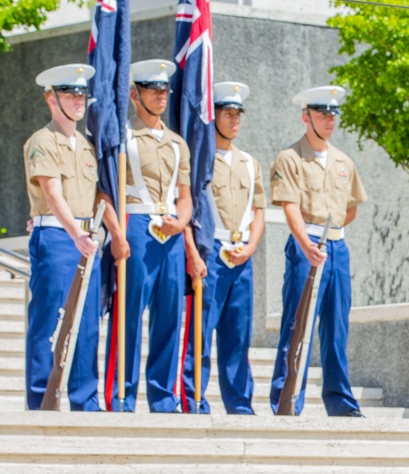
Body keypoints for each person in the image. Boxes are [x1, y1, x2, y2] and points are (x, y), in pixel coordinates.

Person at [23, 64, 129, 410]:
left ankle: (86, 401)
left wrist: (113, 232)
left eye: (82, 94)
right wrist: (76, 234)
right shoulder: (42, 141)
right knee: (50, 322)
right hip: (57, 238)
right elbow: (52, 194)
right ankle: (41, 401)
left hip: (85, 238)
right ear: (51, 99)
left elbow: (97, 194)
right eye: (70, 94)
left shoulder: (84, 145)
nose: (79, 100)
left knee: (86, 326)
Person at [268, 85, 367, 416]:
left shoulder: (343, 161)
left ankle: (340, 402)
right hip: (305, 245)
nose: (329, 120)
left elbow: (350, 208)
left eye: (333, 114)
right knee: (297, 325)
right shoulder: (290, 158)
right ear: (305, 117)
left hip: (337, 247)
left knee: (336, 328)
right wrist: (306, 242)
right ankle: (287, 399)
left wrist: (333, 234)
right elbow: (290, 205)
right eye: (322, 114)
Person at [104, 59, 192, 413]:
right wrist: (117, 234)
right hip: (136, 227)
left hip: (169, 232)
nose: (161, 96)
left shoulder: (176, 143)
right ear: (134, 94)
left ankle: (163, 397)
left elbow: (185, 197)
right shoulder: (122, 137)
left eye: (164, 90)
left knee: (169, 317)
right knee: (128, 313)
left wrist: (181, 222)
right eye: (153, 90)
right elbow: (105, 193)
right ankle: (120, 395)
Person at [179, 82, 265, 414]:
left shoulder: (248, 162)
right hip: (210, 250)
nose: (235, 121)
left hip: (241, 253)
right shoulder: (199, 160)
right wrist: (192, 251)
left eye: (238, 114)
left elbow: (259, 211)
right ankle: (195, 399)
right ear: (213, 116)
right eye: (228, 114)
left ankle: (240, 405)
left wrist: (251, 246)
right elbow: (185, 206)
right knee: (200, 332)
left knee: (238, 337)